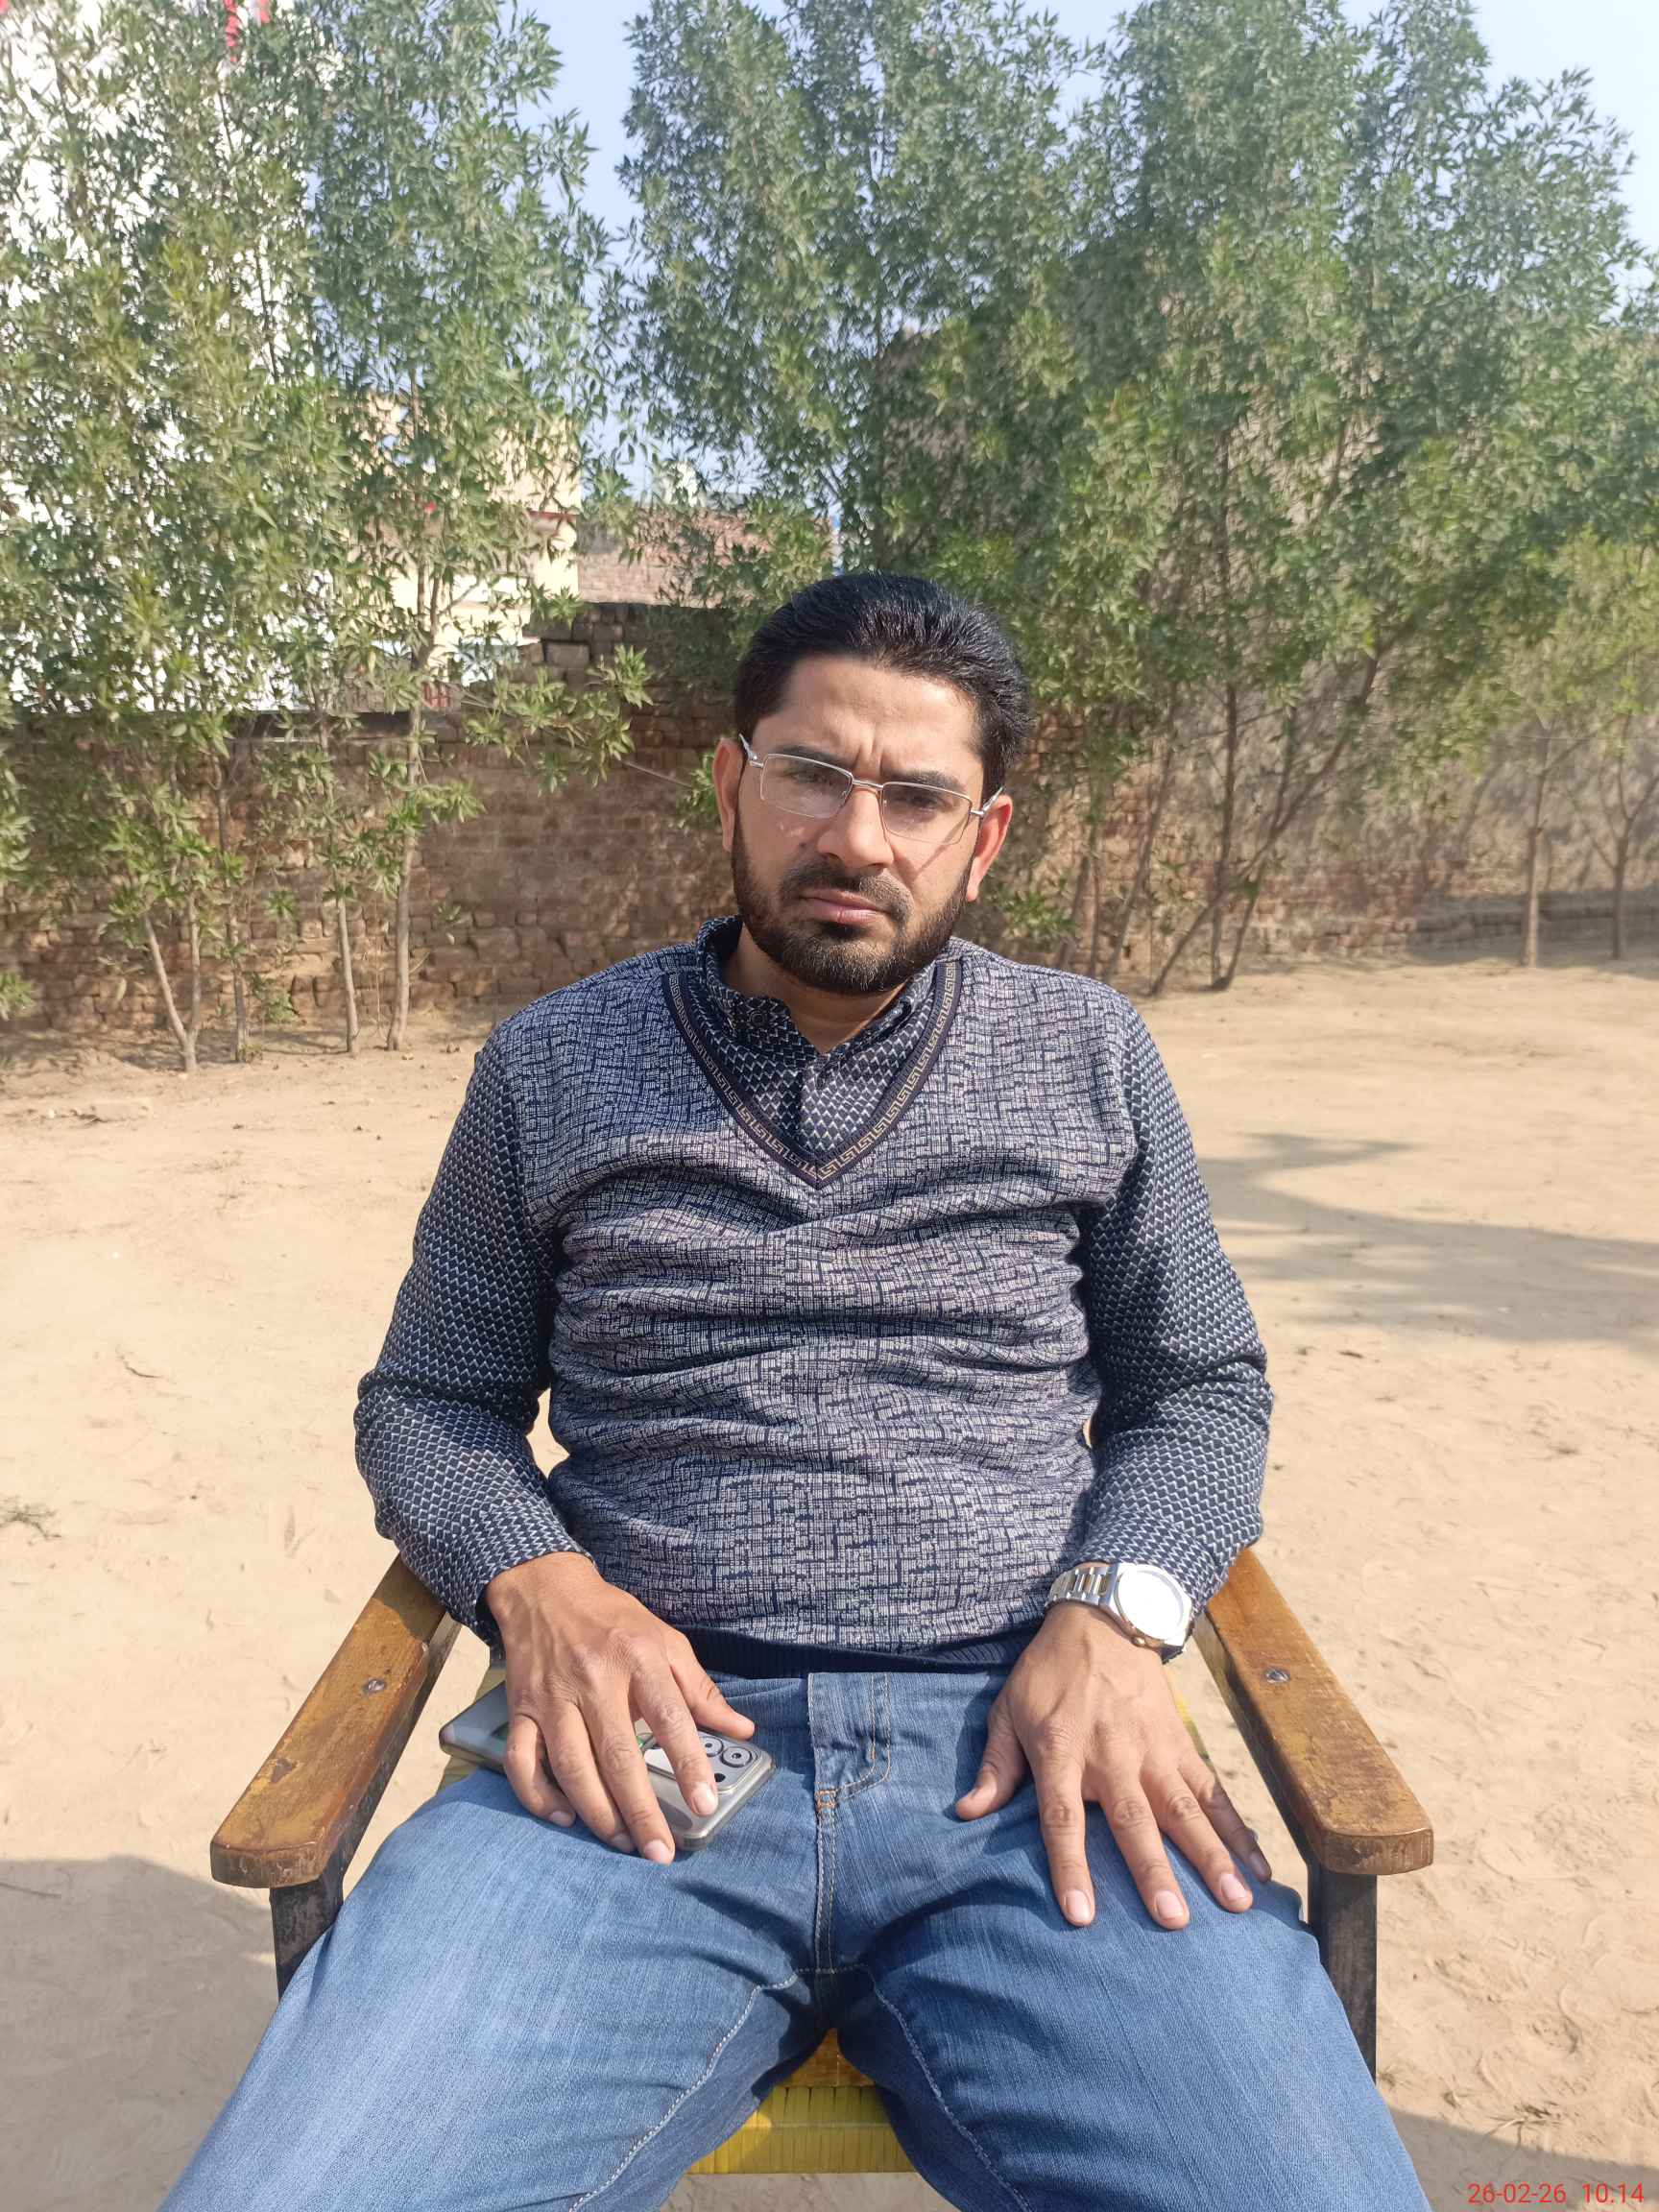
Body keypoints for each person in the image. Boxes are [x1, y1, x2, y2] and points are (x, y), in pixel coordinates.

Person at [161, 573, 1431, 2210]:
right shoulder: (551, 1067)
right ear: (731, 785)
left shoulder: (1089, 1056)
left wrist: (1120, 1616)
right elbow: (429, 1399)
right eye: (813, 775)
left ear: (984, 836)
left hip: (1030, 1759)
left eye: (918, 798)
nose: (858, 837)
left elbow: (1198, 1384)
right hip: (630, 1763)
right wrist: (539, 1586)